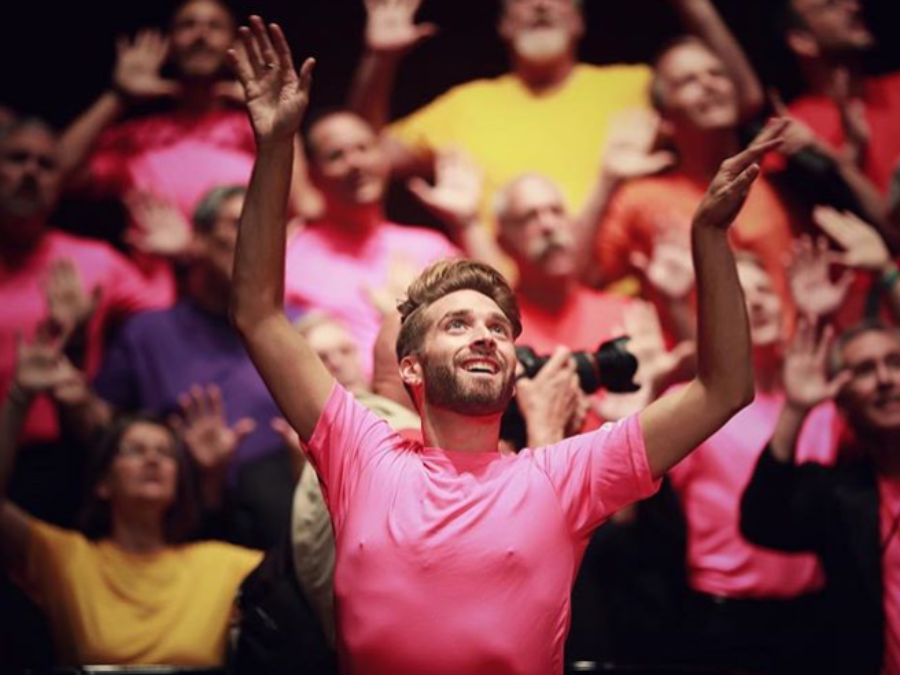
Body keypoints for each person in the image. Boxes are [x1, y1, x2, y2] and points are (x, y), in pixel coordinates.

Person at [227, 18, 781, 674]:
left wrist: (710, 239)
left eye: (498, 328)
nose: (486, 334)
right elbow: (259, 314)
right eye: (457, 323)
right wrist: (276, 147)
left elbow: (725, 389)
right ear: (411, 366)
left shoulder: (562, 476)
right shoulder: (361, 452)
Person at [349, 0, 764, 228]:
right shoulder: (465, 104)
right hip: (508, 310)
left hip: (622, 298)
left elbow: (740, 98)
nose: (541, 7)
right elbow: (362, 158)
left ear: (580, 20)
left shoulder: (632, 86)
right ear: (503, 26)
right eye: (523, 3)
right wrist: (378, 61)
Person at [0, 329, 262, 666]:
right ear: (103, 483)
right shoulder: (66, 558)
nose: (152, 459)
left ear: (179, 480)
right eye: (134, 451)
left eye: (165, 453)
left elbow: (309, 572)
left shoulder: (218, 564)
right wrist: (19, 397)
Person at [740, 319, 900, 673]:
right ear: (842, 402)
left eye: (895, 362)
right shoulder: (839, 494)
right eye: (864, 370)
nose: (886, 379)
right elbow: (761, 520)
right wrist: (796, 409)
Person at [283, 109, 459, 378]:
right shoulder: (293, 254)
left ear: (384, 158)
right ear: (314, 174)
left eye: (364, 148)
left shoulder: (430, 247)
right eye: (335, 155)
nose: (354, 162)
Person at [779, 0, 900, 194]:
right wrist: (850, 154)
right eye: (830, 4)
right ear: (802, 39)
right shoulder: (793, 128)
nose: (853, 6)